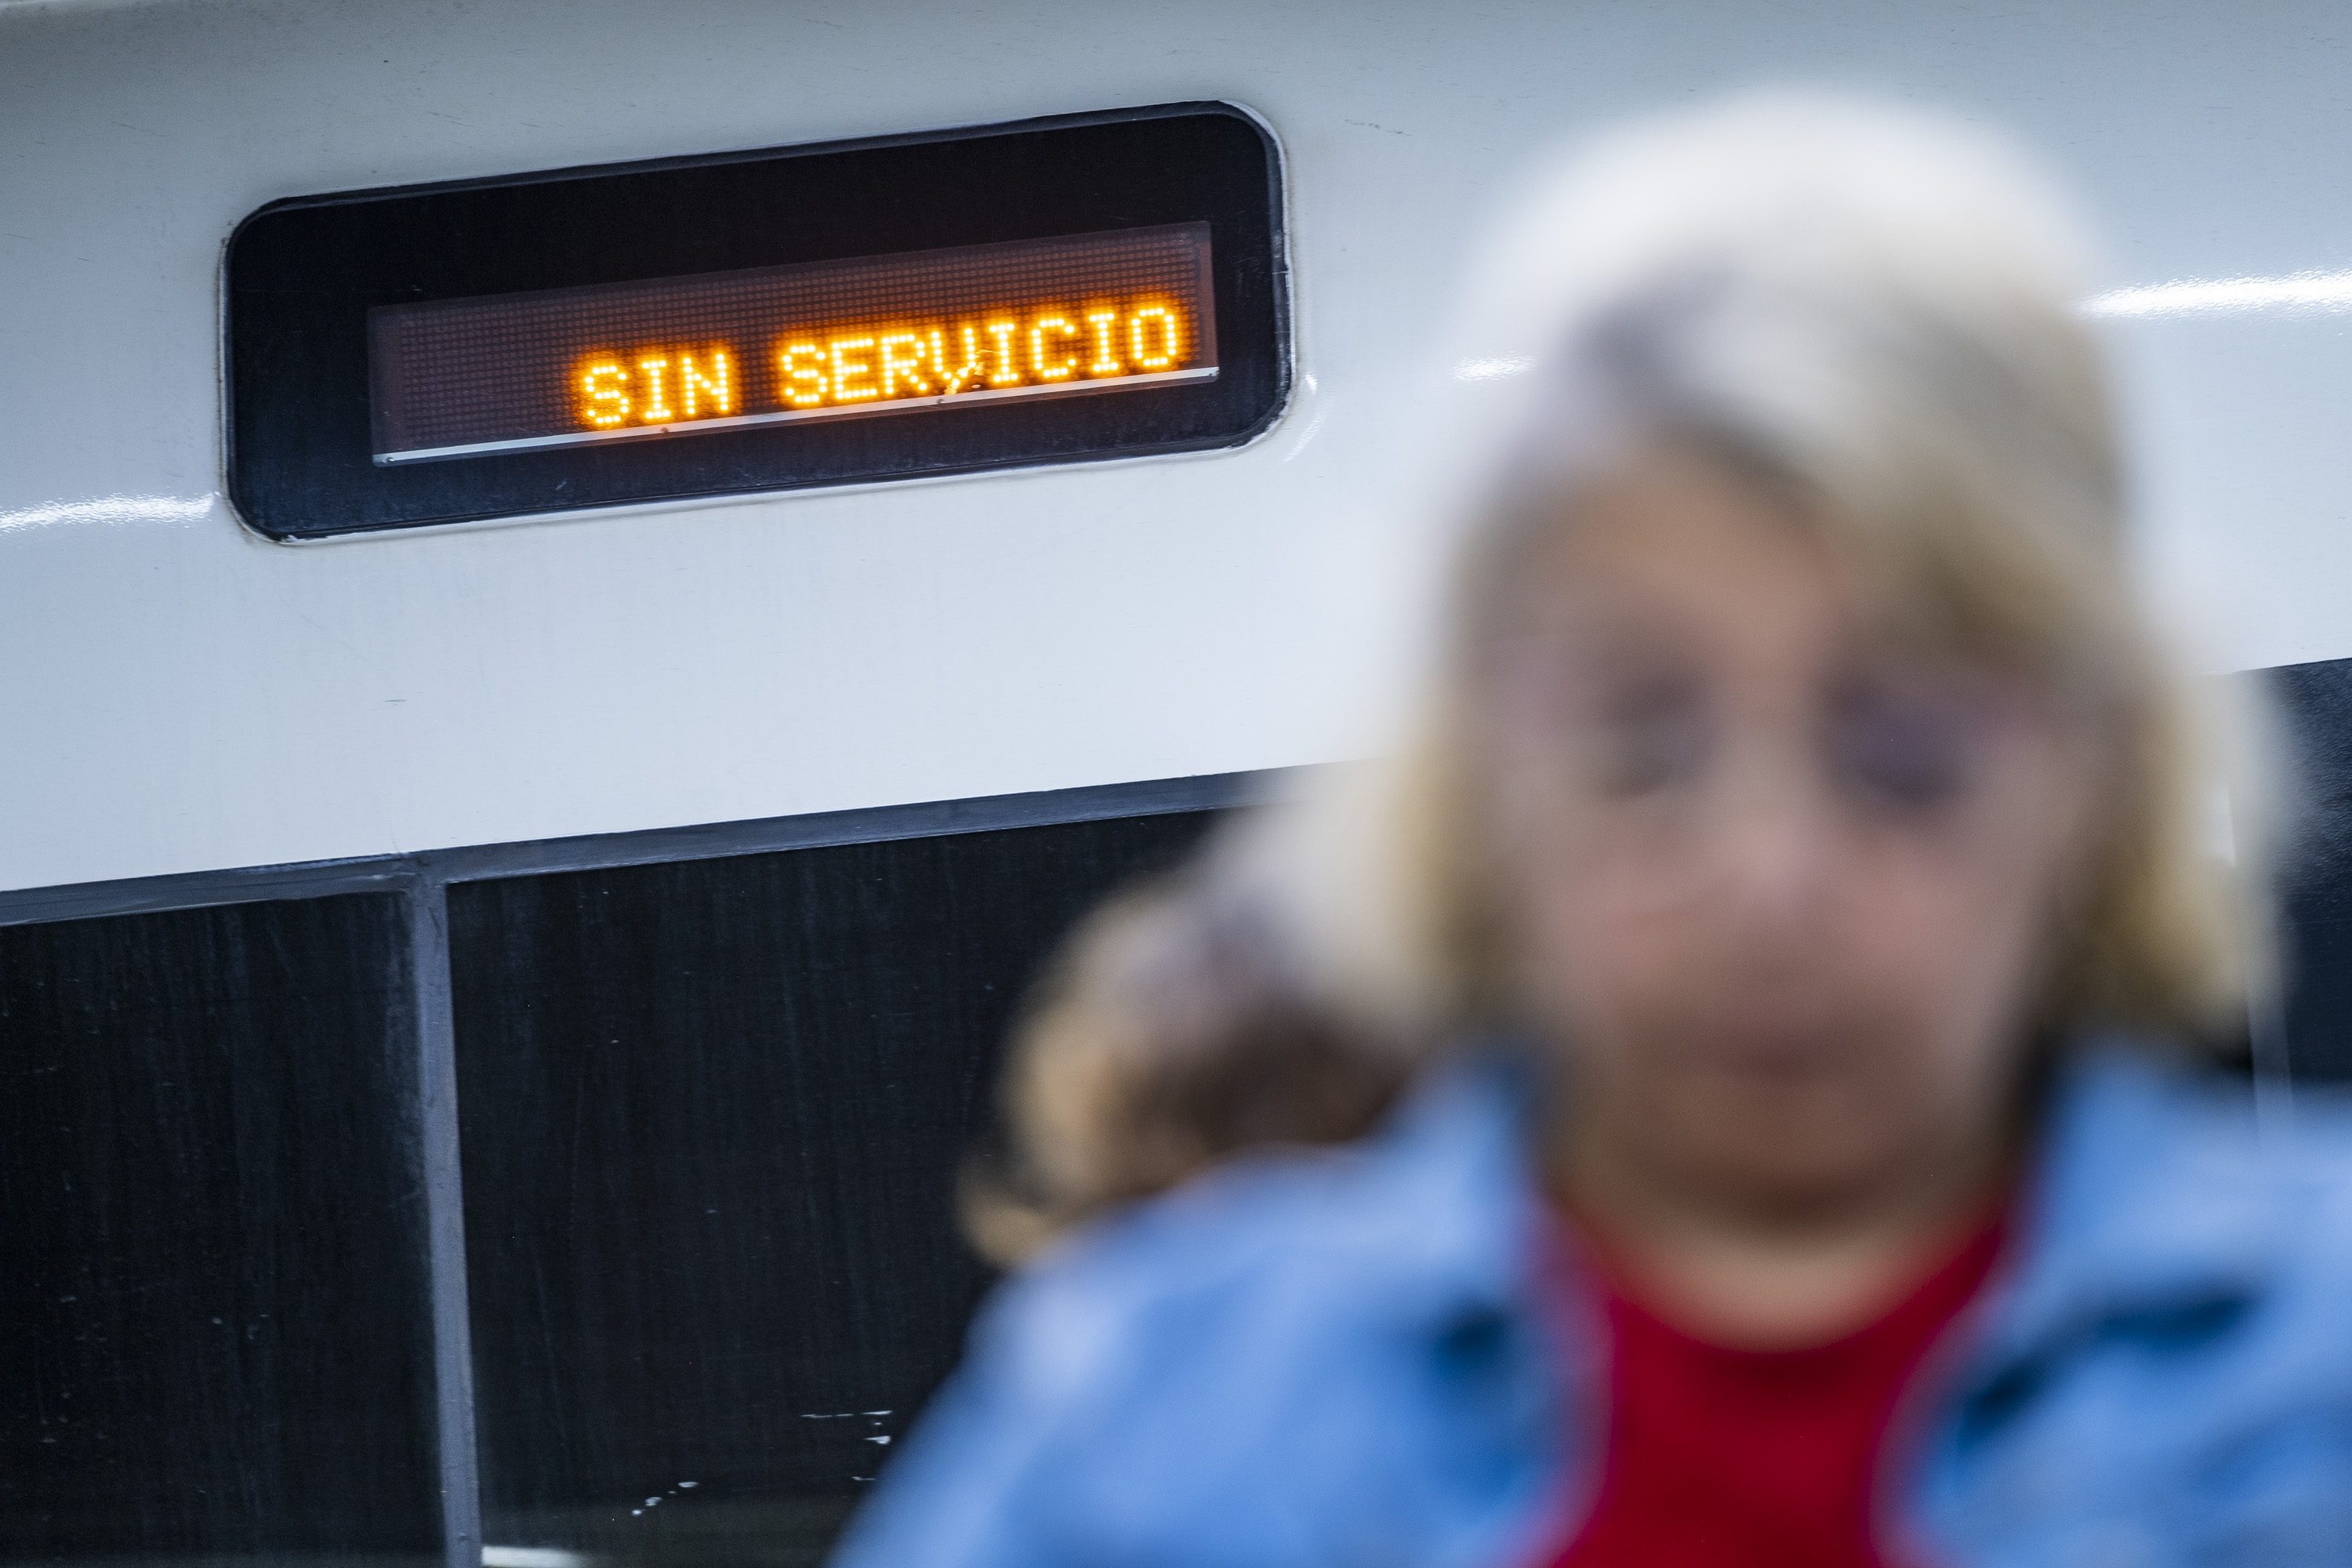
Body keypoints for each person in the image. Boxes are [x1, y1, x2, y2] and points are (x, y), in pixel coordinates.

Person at [833, 96, 2352, 1567]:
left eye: (1906, 758)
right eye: (1643, 748)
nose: (1771, 876)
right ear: (1481, 770)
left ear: (2096, 773)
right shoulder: (1157, 1421)